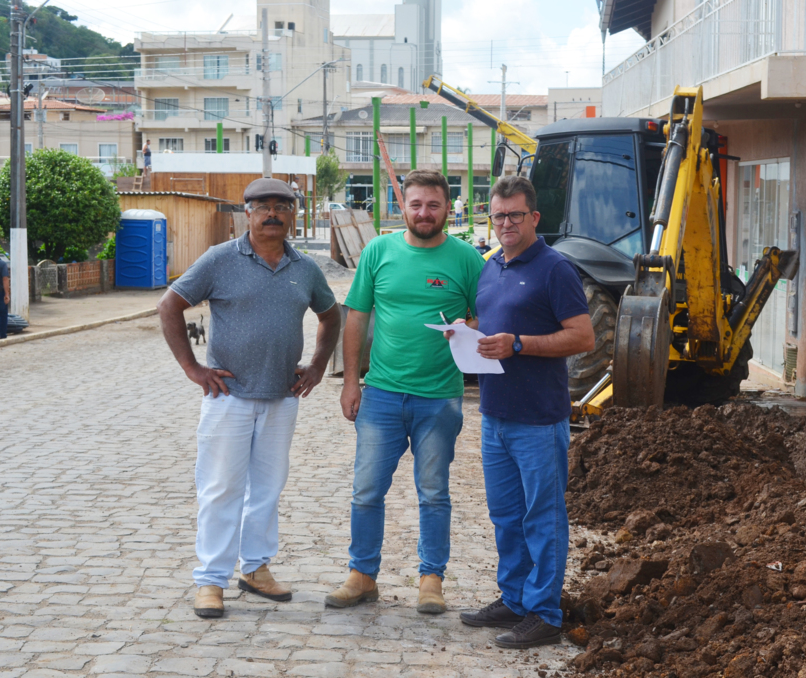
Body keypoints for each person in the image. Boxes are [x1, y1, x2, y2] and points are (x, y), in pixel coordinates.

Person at [157, 178, 341, 619]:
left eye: (282, 206)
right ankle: (210, 581)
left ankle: (256, 569)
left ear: (294, 215)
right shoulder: (220, 260)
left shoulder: (306, 268)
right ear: (247, 214)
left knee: (267, 488)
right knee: (221, 488)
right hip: (229, 396)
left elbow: (331, 315)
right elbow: (169, 305)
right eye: (263, 207)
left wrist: (317, 366)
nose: (273, 213)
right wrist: (192, 368)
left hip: (282, 397)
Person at [325, 169, 485, 615]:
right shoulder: (379, 251)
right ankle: (362, 576)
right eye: (416, 204)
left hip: (440, 397)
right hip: (381, 395)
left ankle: (431, 580)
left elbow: (487, 315)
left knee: (434, 492)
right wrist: (352, 381)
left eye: (433, 205)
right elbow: (356, 316)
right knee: (366, 489)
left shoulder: (467, 259)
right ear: (403, 207)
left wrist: (465, 327)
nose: (424, 212)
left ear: (447, 209)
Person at [457, 175, 593, 648]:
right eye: (498, 215)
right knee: (506, 515)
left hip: (539, 419)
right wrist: (465, 333)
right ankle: (514, 598)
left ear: (534, 217)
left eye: (516, 214)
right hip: (495, 416)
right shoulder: (490, 267)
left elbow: (583, 337)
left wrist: (519, 344)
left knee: (543, 517)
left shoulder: (556, 269)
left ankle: (545, 613)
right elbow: (493, 324)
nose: (506, 223)